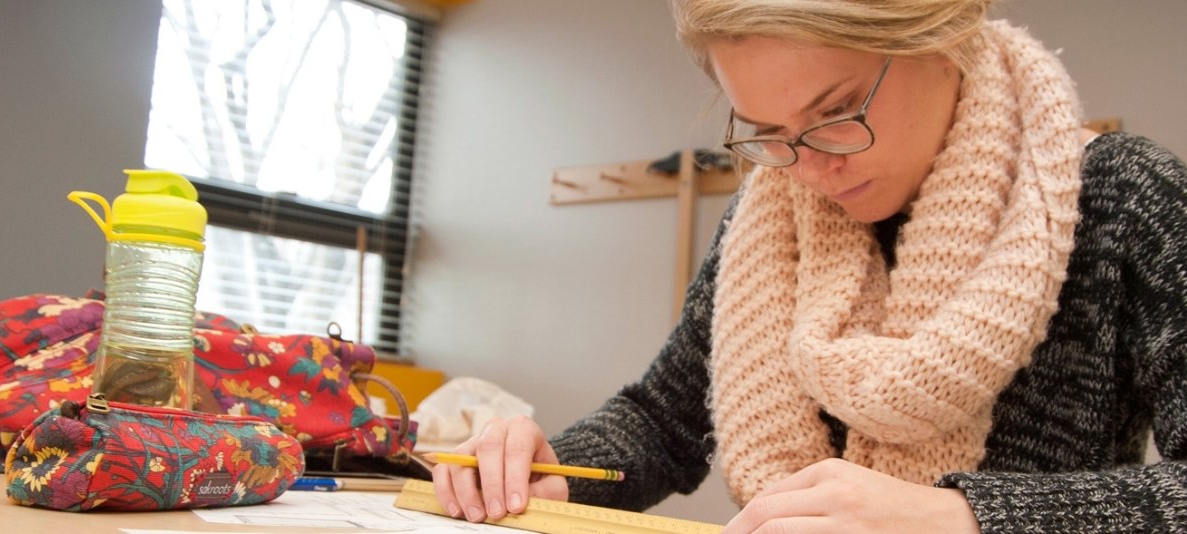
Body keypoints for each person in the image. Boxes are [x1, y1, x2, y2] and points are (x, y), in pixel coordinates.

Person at [431, 0, 1187, 532]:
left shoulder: (1124, 198)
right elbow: (663, 420)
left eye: (838, 112)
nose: (808, 166)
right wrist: (550, 465)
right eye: (768, 131)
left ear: (943, 35)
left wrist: (961, 516)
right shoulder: (771, 214)